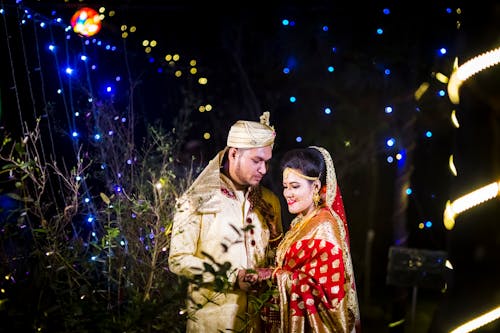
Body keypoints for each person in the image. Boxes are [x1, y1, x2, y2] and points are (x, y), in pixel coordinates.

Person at [168, 112, 283, 333]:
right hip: (213, 324)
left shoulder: (269, 201)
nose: (263, 170)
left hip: (261, 324)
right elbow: (178, 260)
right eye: (256, 161)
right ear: (233, 154)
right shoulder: (197, 200)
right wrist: (233, 277)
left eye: (266, 162)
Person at [258, 146, 361, 333]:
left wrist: (273, 276)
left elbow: (327, 294)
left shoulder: (324, 226)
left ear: (315, 186)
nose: (287, 194)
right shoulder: (301, 222)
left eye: (295, 186)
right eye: (285, 187)